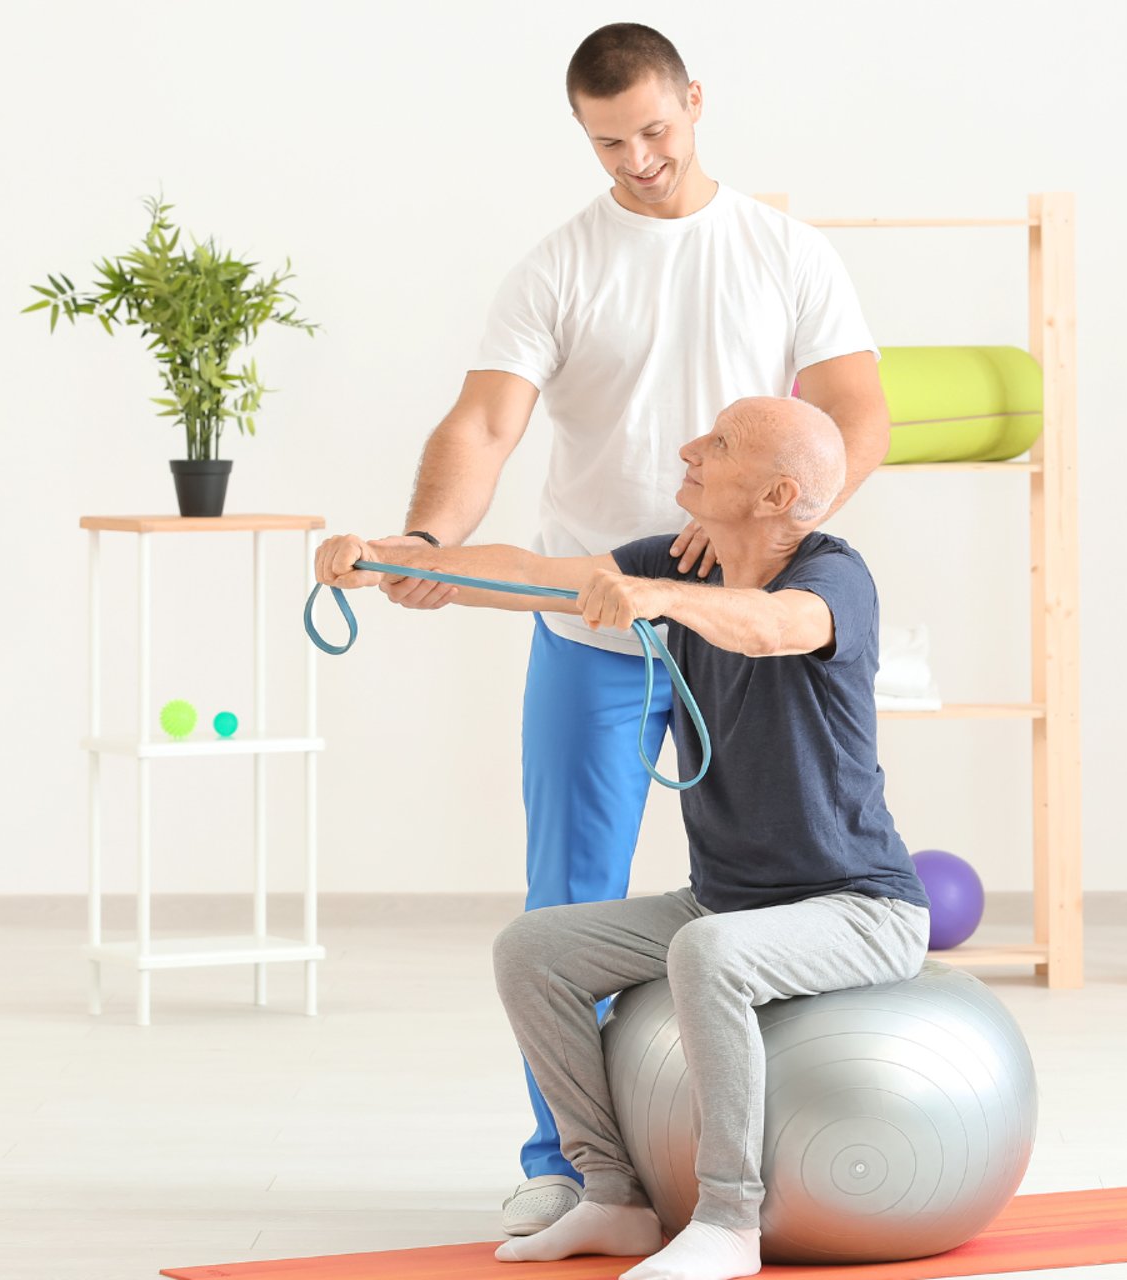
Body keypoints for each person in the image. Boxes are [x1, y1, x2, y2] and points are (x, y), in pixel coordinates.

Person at [369, 22, 889, 1235]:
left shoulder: (784, 250)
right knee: (564, 911)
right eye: (610, 143)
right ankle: (571, 1166)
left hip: (734, 620)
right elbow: (484, 424)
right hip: (596, 621)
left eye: (655, 130)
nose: (639, 159)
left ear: (696, 103)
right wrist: (429, 542)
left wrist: (777, 531)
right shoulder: (558, 266)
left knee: (781, 871)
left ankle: (729, 1173)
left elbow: (856, 415)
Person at [314, 397, 926, 1280]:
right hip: (727, 896)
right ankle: (613, 1197)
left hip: (858, 907)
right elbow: (532, 572)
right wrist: (398, 558)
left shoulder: (836, 577)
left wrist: (660, 596)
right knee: (534, 949)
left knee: (709, 955)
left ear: (777, 494)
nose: (688, 449)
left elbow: (776, 627)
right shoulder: (680, 562)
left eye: (716, 445)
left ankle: (729, 1220)